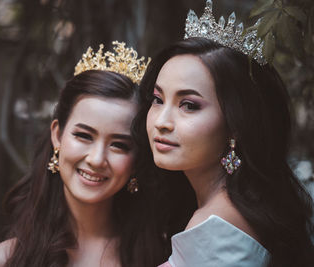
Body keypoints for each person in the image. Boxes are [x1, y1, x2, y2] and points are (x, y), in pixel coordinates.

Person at [134, 1, 314, 266]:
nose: (162, 121)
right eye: (158, 99)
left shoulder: (216, 227)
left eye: (189, 105)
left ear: (236, 125)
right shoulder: (241, 207)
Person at [0, 41, 167, 267]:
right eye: (84, 136)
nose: (96, 159)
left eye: (119, 145)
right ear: (57, 135)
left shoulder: (164, 256)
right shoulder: (5, 260)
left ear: (138, 159)